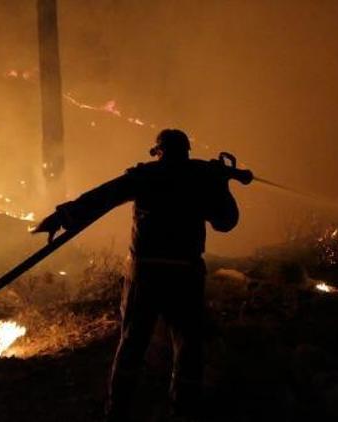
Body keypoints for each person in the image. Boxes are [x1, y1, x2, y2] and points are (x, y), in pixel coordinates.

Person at [33, 129, 241, 420]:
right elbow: (226, 221)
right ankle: (183, 411)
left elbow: (103, 196)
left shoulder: (146, 176)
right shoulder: (199, 178)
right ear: (187, 151)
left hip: (146, 274)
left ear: (158, 151)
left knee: (132, 344)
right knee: (188, 348)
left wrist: (62, 217)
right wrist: (221, 184)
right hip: (185, 274)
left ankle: (116, 412)